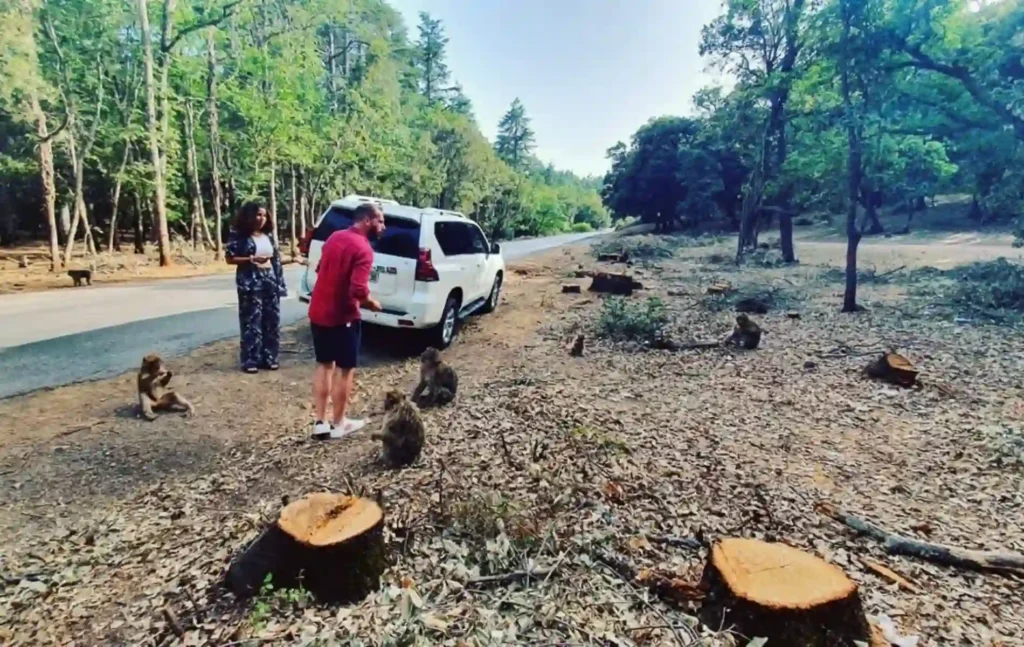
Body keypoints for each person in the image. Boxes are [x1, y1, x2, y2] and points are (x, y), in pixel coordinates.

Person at [307, 203, 384, 439]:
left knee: (324, 365)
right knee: (345, 370)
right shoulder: (363, 249)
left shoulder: (334, 237)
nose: (384, 226)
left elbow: (320, 269)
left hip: (318, 312)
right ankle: (339, 424)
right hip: (343, 317)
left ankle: (320, 422)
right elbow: (358, 289)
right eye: (381, 220)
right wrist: (373, 304)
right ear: (368, 220)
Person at [225, 201, 288, 373]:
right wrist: (250, 260)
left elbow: (276, 261)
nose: (261, 218)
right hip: (250, 282)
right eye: (258, 215)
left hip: (270, 280)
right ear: (250, 216)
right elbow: (230, 258)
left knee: (271, 321)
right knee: (251, 322)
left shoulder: (268, 236)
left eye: (264, 215)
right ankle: (250, 360)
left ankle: (269, 357)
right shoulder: (239, 235)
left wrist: (280, 283)